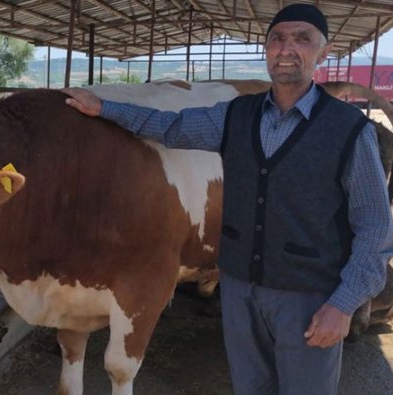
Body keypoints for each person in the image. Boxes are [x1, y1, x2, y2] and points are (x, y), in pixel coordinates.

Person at [62, 3, 393, 395]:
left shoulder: (350, 131)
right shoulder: (237, 114)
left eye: (302, 38)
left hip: (309, 298)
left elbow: (374, 225)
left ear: (323, 51)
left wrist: (343, 305)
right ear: (267, 50)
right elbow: (170, 127)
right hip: (239, 292)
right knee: (250, 388)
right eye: (277, 38)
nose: (287, 48)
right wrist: (104, 108)